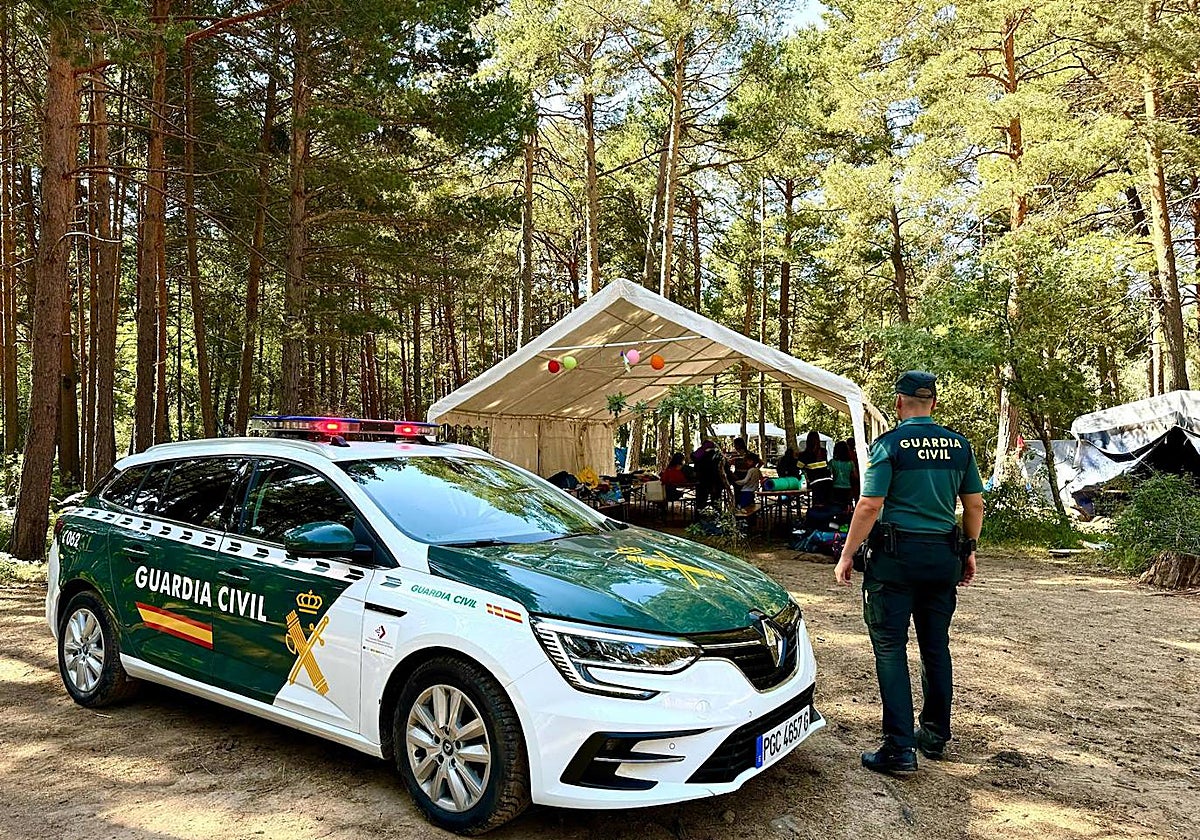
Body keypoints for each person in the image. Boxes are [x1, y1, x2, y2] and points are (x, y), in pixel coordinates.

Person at [833, 371, 984, 775]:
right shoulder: (959, 445)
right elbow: (974, 506)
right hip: (942, 557)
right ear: (933, 403)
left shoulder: (889, 445)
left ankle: (899, 748)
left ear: (898, 403)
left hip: (896, 560)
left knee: (890, 648)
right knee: (935, 647)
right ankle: (934, 735)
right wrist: (969, 550)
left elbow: (869, 505)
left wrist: (847, 554)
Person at [692, 440, 730, 514]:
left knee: (700, 503)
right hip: (716, 482)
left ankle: (699, 518)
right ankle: (717, 518)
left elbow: (696, 470)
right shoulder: (718, 456)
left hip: (702, 482)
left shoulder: (699, 456)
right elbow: (724, 469)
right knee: (716, 503)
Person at [798, 432, 833, 505]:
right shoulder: (823, 452)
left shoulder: (804, 454)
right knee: (827, 504)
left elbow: (798, 467)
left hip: (816, 482)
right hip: (828, 480)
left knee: (818, 505)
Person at [829, 440, 858, 508]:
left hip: (835, 487)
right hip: (847, 487)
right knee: (846, 507)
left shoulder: (832, 462)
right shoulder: (850, 463)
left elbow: (829, 474)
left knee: (837, 506)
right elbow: (856, 476)